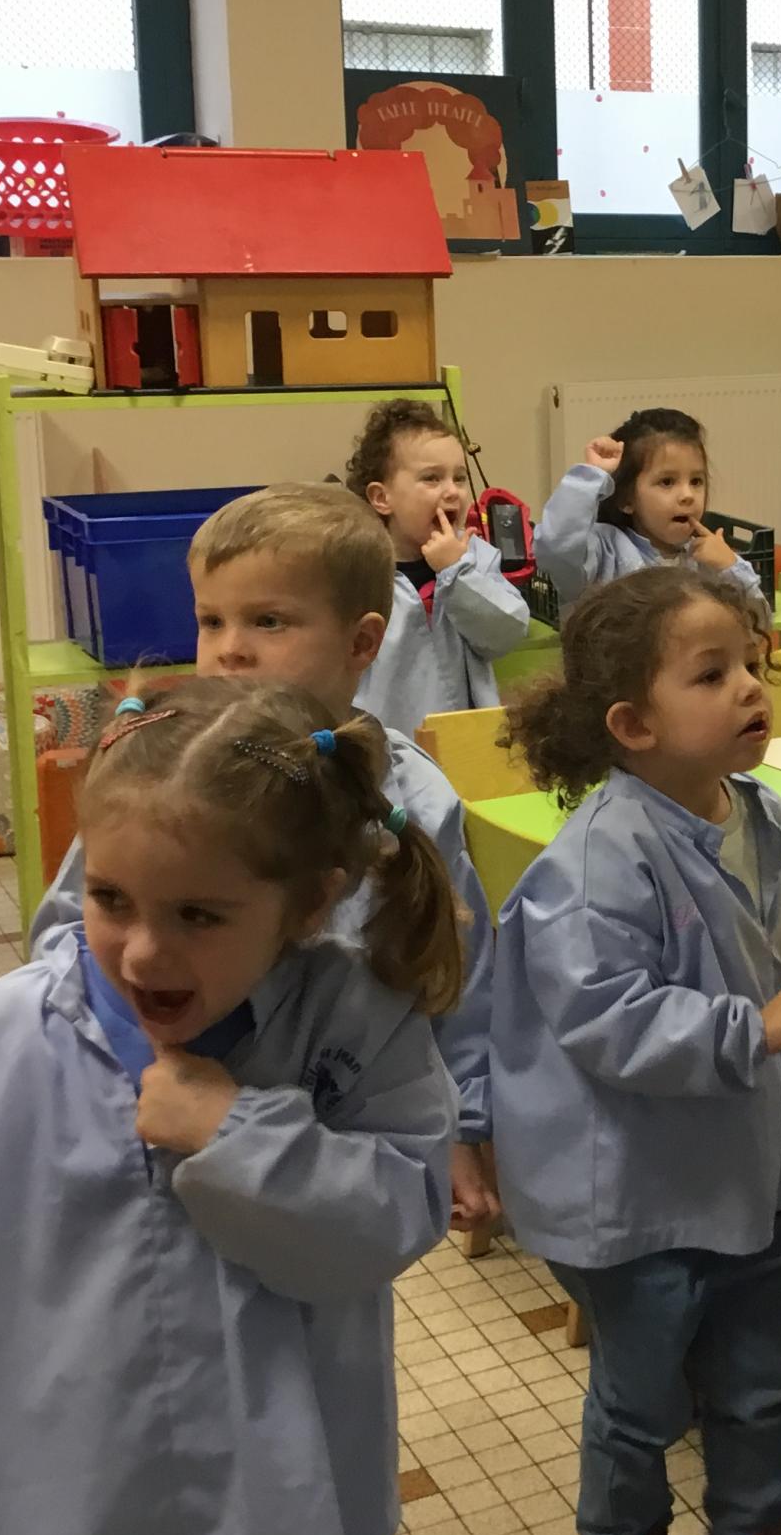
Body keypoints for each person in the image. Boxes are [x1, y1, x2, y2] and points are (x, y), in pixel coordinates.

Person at [0, 680, 464, 1535]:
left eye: (198, 914)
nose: (144, 951)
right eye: (111, 898)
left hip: (291, 1502)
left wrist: (237, 1132)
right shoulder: (6, 1029)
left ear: (310, 905)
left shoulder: (356, 1024)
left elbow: (394, 1212)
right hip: (73, 1496)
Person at [491, 566, 781, 1535]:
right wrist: (754, 1028)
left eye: (753, 663)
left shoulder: (760, 813)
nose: (750, 687)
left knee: (762, 1383)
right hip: (640, 1201)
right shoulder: (597, 859)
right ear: (632, 725)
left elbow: (760, 955)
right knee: (641, 1404)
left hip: (745, 1175)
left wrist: (777, 1018)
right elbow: (607, 1018)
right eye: (711, 673)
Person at [27, 483, 501, 1234]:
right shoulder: (164, 774)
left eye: (268, 621)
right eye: (211, 620)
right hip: (149, 1103)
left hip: (330, 1140)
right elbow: (63, 934)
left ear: (362, 642)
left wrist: (463, 1128)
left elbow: (454, 970)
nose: (230, 648)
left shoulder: (412, 797)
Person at [345, 398, 533, 732]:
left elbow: (506, 633)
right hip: (385, 739)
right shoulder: (358, 571)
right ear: (382, 498)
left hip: (465, 740)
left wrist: (457, 573)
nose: (452, 492)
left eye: (459, 478)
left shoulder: (475, 556)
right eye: (431, 478)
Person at [535, 407, 764, 605]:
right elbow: (557, 546)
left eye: (696, 481)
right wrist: (591, 476)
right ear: (626, 500)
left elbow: (759, 622)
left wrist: (730, 567)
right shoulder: (606, 551)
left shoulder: (705, 558)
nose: (687, 495)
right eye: (667, 482)